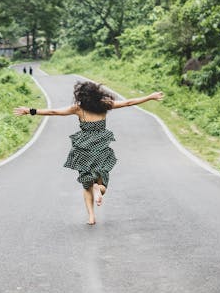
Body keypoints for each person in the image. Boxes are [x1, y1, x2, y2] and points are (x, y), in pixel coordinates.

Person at [14, 81, 164, 225]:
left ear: (81, 96)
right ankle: (98, 188)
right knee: (102, 182)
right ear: (97, 93)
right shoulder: (105, 104)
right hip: (101, 148)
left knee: (87, 186)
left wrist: (29, 111)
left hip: (83, 148)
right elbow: (129, 102)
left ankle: (91, 216)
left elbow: (54, 112)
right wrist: (150, 96)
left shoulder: (78, 108)